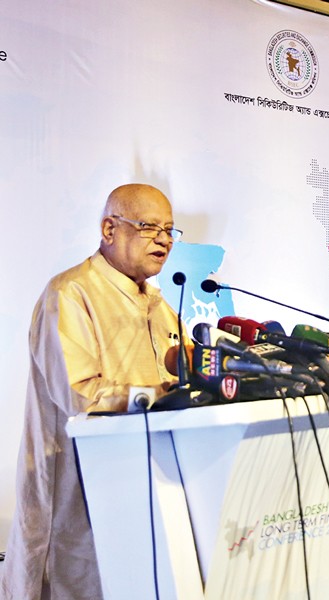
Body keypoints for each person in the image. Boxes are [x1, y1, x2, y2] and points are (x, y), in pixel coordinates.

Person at [1, 184, 183, 599]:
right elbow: (80, 396)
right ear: (109, 228)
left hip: (145, 493)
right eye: (149, 227)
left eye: (170, 230)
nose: (164, 240)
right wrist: (165, 393)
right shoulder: (70, 293)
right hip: (75, 496)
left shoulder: (160, 305)